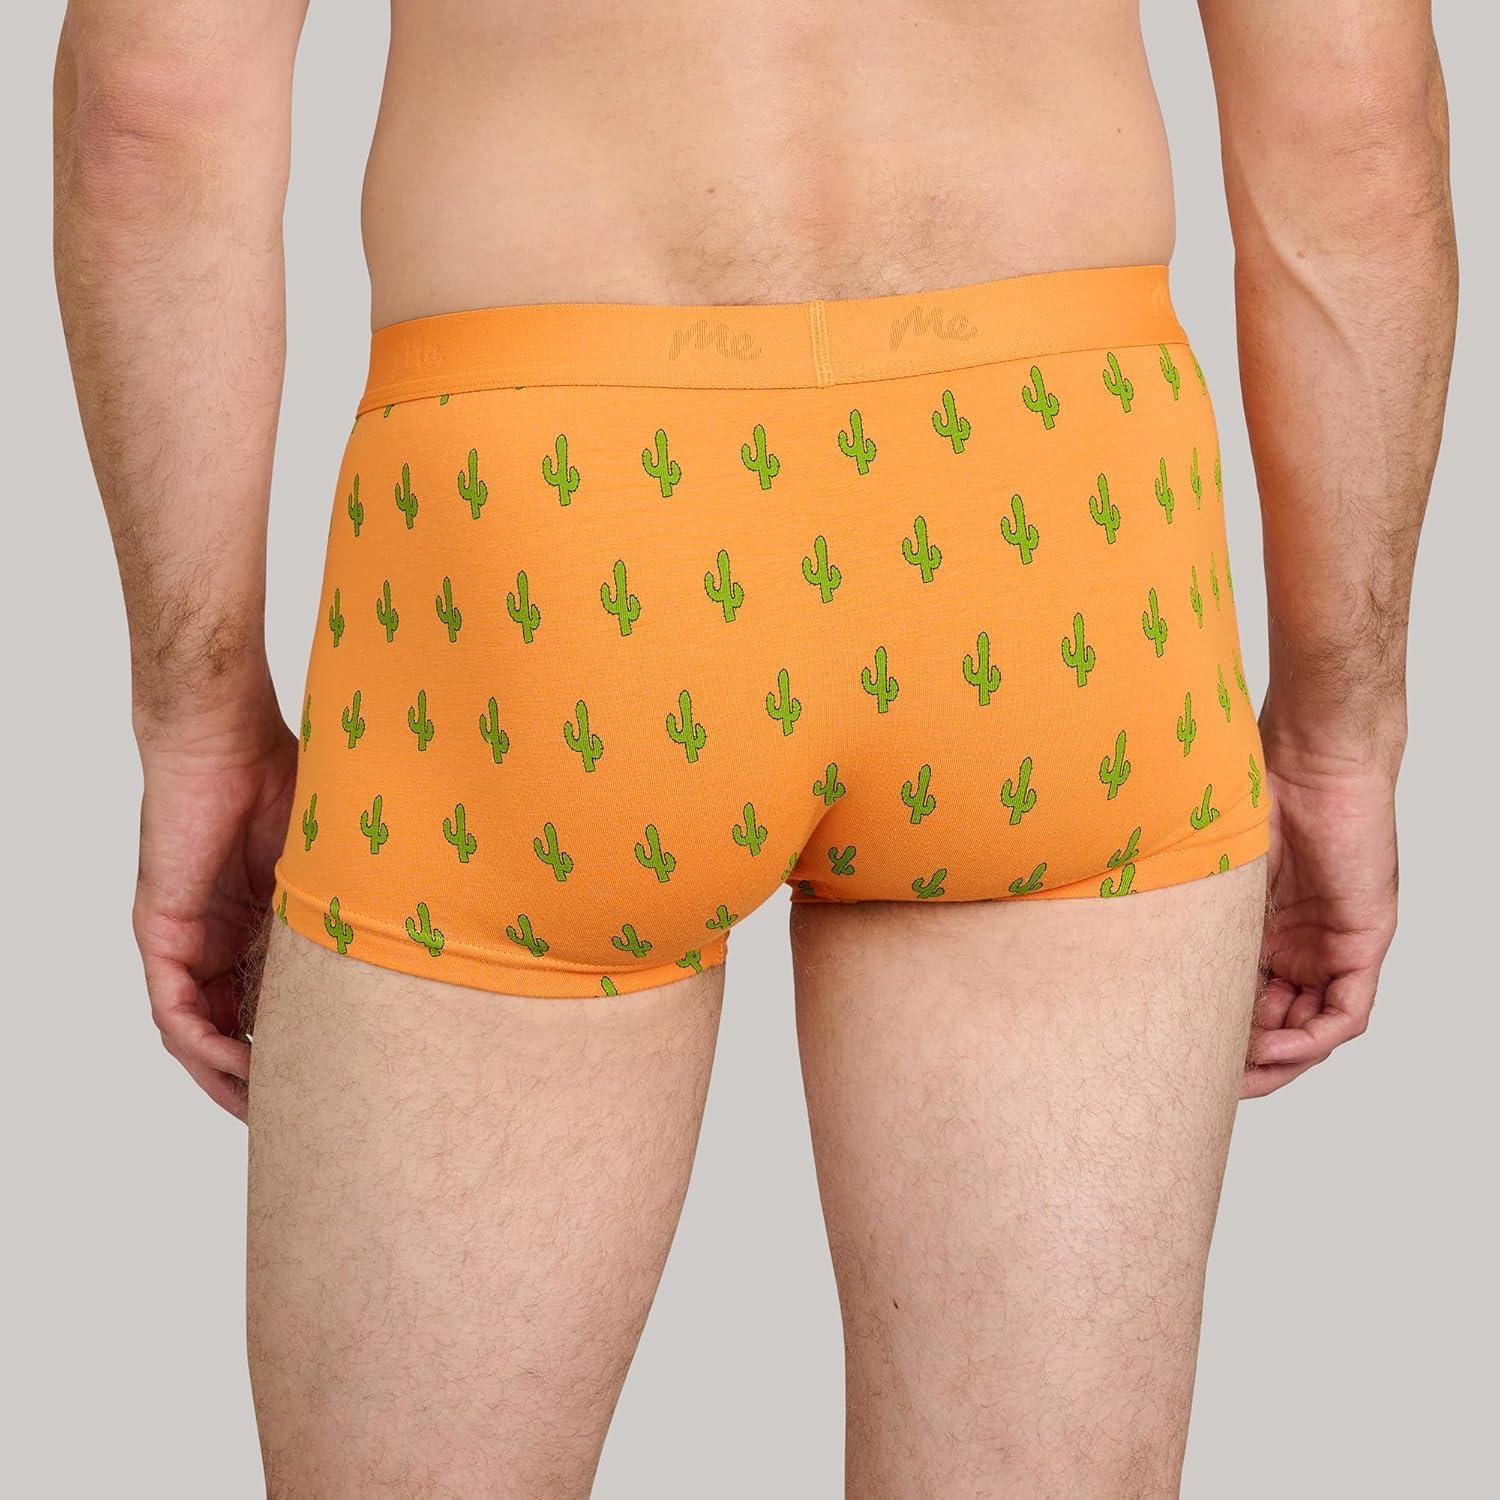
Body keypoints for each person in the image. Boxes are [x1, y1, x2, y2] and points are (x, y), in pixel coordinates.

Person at [53, 0, 1455, 1493]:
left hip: (542, 519)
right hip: (1050, 497)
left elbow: (154, 114)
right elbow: (1355, 133)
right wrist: (1338, 730)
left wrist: (197, 721)